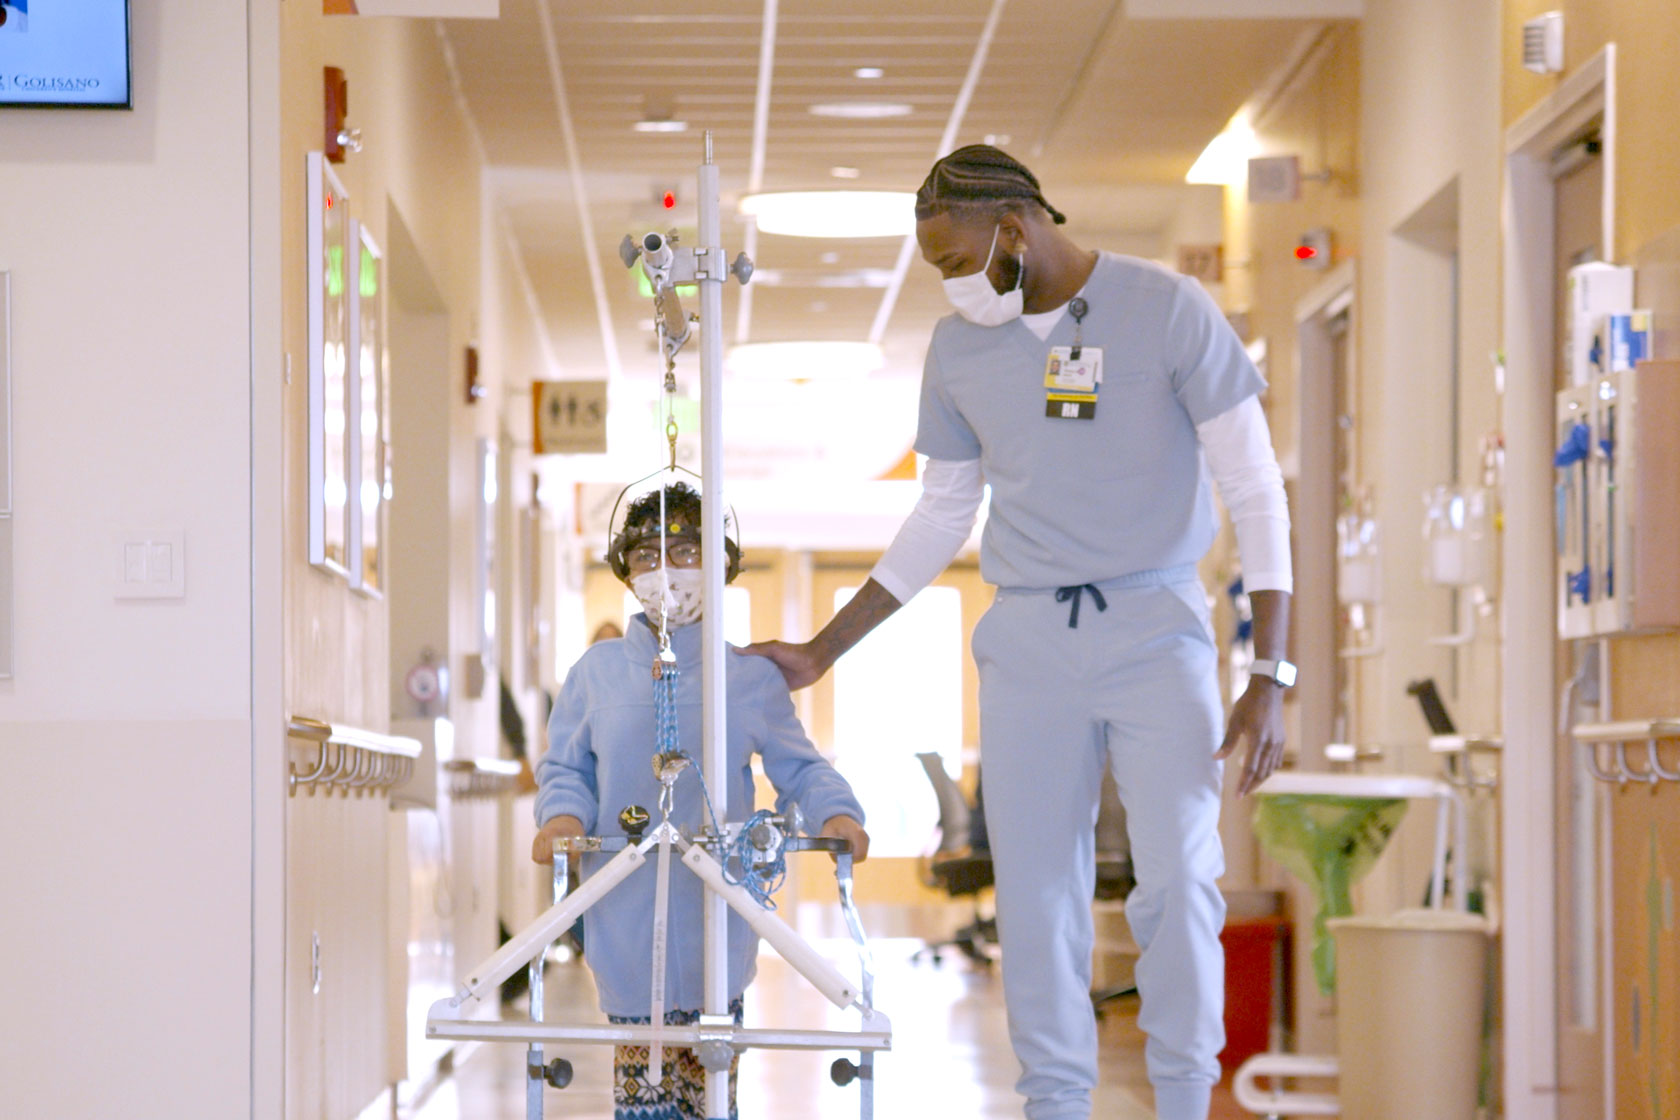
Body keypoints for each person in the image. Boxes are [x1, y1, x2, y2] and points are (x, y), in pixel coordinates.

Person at [745, 145, 1294, 1120]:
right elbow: (940, 516)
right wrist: (824, 649)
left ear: (1015, 228)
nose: (952, 288)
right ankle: (1053, 1102)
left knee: (1181, 875)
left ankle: (1184, 1095)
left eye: (957, 263)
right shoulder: (959, 353)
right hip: (1031, 638)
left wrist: (1273, 667)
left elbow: (1255, 484)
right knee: (1037, 896)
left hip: (1157, 625)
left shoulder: (1166, 309)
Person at [532, 481, 869, 1120]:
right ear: (625, 571)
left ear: (720, 564)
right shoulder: (595, 674)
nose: (667, 570)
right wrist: (562, 820)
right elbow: (565, 769)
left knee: (713, 1078)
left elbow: (801, 767)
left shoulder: (746, 676)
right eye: (648, 554)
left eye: (686, 551)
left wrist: (839, 814)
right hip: (623, 909)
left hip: (717, 909)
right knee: (644, 1073)